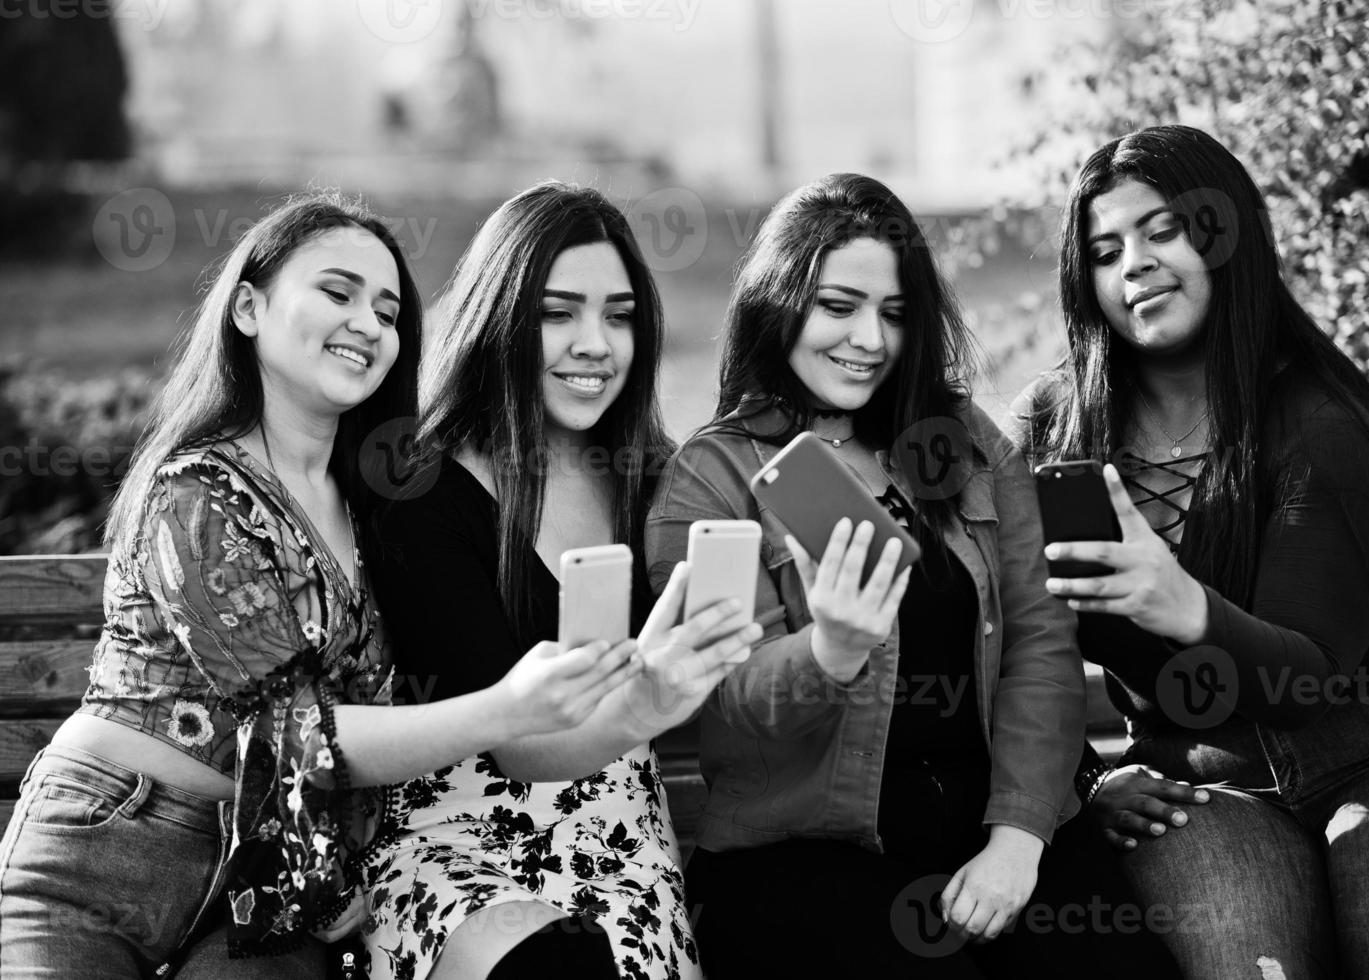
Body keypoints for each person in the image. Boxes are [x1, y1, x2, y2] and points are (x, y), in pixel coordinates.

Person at [0, 192, 644, 979]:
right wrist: (507, 707)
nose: (369, 324)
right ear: (248, 308)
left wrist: (333, 856)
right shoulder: (198, 493)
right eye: (337, 293)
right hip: (113, 844)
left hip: (266, 887)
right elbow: (290, 730)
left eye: (388, 310)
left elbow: (359, 723)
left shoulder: (382, 506)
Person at [644, 172, 1176, 978]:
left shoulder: (962, 441)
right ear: (778, 298)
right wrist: (827, 651)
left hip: (994, 828)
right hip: (806, 856)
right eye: (837, 306)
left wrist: (1018, 836)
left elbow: (1039, 643)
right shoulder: (710, 477)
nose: (868, 339)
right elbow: (720, 711)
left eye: (893, 313)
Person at [1008, 124, 1369, 979]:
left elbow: (1305, 679)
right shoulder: (1053, 432)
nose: (1133, 265)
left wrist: (1180, 605)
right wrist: (1083, 783)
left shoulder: (1319, 418)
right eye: (1105, 251)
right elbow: (997, 633)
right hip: (1199, 781)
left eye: (1160, 231)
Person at [359, 182, 758, 980]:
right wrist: (644, 701)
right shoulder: (423, 489)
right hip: (462, 844)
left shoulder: (655, 478)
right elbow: (516, 749)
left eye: (617, 317)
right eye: (557, 313)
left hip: (619, 838)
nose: (594, 344)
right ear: (501, 318)